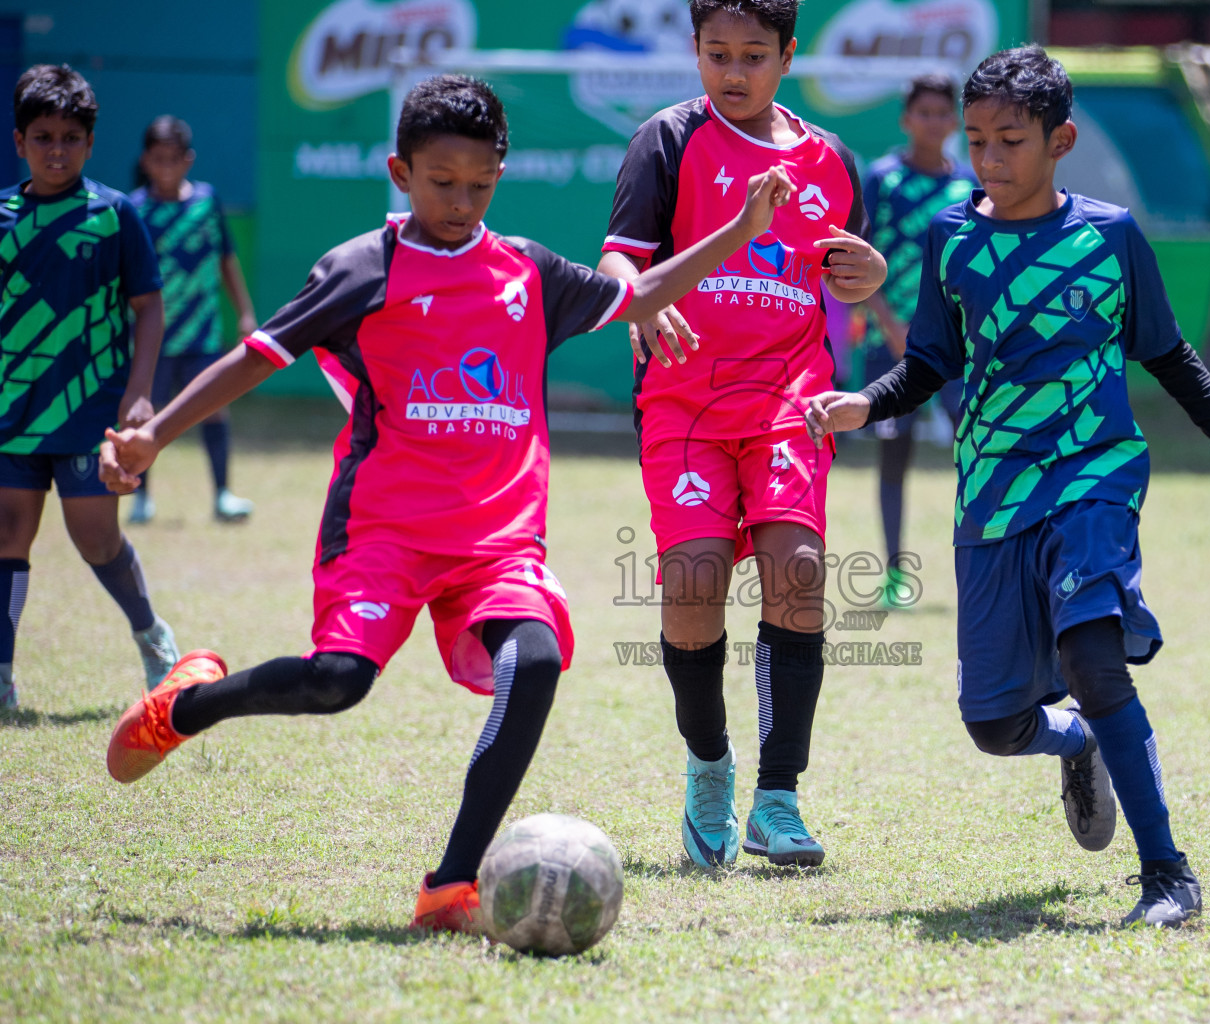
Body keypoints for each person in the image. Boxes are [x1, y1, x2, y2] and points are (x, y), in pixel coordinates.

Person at [98, 74, 796, 932]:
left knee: (534, 662)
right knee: (337, 682)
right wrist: (152, 436)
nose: (461, 201)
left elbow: (642, 295)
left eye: (479, 183)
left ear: (500, 174)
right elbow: (255, 357)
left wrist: (740, 230)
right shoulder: (363, 268)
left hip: (498, 544)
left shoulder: (529, 272)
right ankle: (188, 705)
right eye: (441, 181)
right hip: (385, 532)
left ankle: (451, 885)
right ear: (400, 170)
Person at [805, 46, 1210, 927]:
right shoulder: (951, 238)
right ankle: (1077, 743)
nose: (990, 161)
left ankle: (1167, 876)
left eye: (1010, 142)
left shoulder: (1109, 236)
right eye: (978, 141)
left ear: (1060, 139)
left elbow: (1169, 354)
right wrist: (865, 404)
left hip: (1092, 472)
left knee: (1092, 655)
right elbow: (928, 365)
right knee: (993, 724)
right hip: (991, 492)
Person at [598, 0, 887, 870]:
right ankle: (710, 767)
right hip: (684, 400)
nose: (733, 71)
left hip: (788, 395)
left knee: (798, 569)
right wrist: (633, 302)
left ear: (788, 55)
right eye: (716, 53)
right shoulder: (666, 140)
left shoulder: (828, 159)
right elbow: (619, 257)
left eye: (753, 55)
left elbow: (851, 268)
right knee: (693, 580)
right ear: (692, 50)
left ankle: (778, 798)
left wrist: (869, 275)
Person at [0, 65, 180, 710]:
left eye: (70, 138)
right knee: (7, 532)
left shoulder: (114, 214)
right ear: (19, 140)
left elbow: (150, 306)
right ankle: (2, 675)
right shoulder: (3, 217)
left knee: (95, 540)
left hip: (87, 412)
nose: (57, 150)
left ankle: (153, 635)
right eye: (43, 136)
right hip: (11, 412)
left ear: (90, 144)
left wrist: (139, 393)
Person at [859, 74, 975, 609]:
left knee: (976, 453)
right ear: (906, 121)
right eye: (922, 113)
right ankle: (892, 575)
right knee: (894, 456)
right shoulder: (883, 180)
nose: (933, 122)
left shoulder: (969, 188)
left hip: (956, 349)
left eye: (941, 113)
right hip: (892, 346)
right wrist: (890, 325)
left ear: (955, 121)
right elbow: (856, 259)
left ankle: (980, 566)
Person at [128, 115, 260, 524]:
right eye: (158, 159)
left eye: (174, 159)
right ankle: (140, 498)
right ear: (146, 161)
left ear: (188, 160)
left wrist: (245, 311)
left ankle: (222, 495)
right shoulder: (133, 210)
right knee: (143, 416)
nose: (166, 167)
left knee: (215, 409)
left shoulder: (206, 202)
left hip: (203, 334)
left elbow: (226, 259)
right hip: (153, 339)